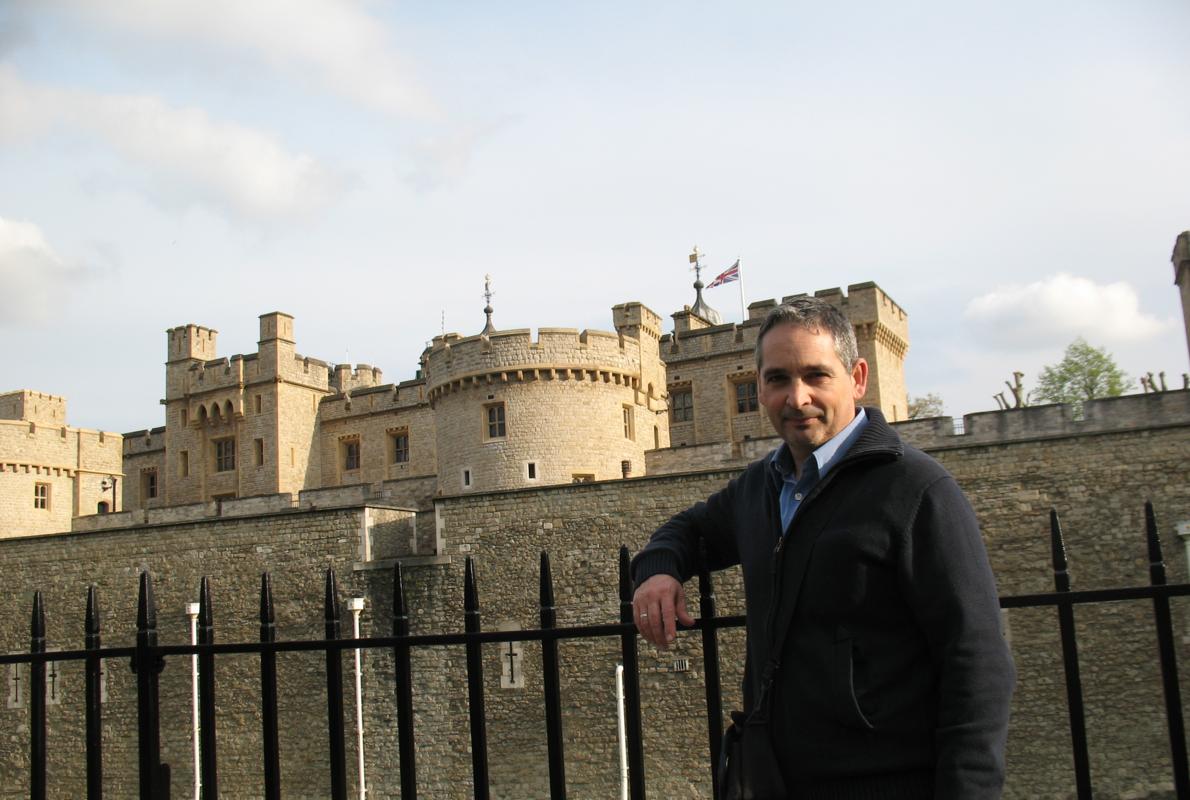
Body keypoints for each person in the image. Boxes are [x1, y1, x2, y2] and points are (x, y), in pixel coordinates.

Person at [631, 297, 1015, 799]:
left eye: (816, 376)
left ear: (857, 377)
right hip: (773, 777)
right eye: (776, 380)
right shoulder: (761, 487)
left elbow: (977, 660)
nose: (797, 397)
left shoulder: (915, 489)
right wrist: (659, 570)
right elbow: (690, 530)